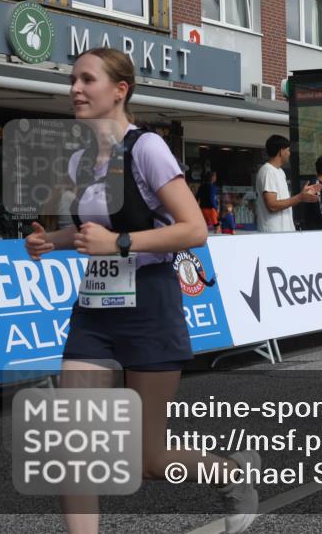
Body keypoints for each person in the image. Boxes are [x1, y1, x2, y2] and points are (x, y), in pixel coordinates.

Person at [24, 48, 259, 534]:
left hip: (150, 304)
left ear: (120, 90)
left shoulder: (147, 148)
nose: (75, 89)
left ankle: (231, 474)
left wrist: (121, 243)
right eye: (72, 80)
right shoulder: (79, 161)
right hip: (95, 309)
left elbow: (194, 229)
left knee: (147, 460)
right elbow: (93, 230)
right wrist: (52, 241)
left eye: (87, 80)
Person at [254, 135, 320, 233]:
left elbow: (283, 201)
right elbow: (272, 205)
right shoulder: (268, 171)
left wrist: (302, 195)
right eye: (288, 150)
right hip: (273, 233)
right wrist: (300, 197)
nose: (289, 153)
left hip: (285, 232)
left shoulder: (280, 172)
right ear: (281, 151)